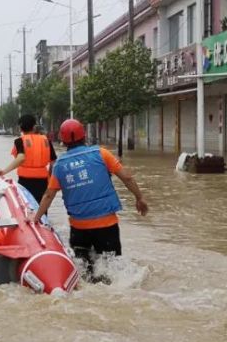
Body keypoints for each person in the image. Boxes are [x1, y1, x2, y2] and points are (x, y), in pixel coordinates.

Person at [31, 118, 148, 282]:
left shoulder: (59, 166)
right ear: (84, 136)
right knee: (112, 270)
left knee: (85, 273)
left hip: (79, 229)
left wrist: (36, 218)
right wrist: (139, 198)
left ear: (63, 141)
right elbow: (127, 177)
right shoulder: (101, 154)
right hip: (107, 226)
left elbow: (49, 195)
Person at [0, 114, 57, 204]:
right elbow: (53, 163)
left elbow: (20, 158)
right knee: (41, 209)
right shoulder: (46, 140)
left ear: (20, 128)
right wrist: (51, 181)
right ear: (34, 126)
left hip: (25, 182)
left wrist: (3, 172)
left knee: (28, 208)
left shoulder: (19, 141)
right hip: (43, 182)